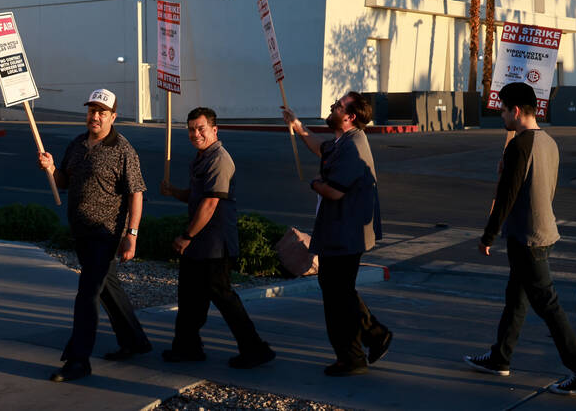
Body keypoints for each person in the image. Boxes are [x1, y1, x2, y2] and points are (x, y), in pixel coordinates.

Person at [463, 82, 576, 395]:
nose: (501, 117)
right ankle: (500, 356)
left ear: (515, 110)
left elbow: (508, 195)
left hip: (528, 239)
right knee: (516, 299)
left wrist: (488, 234)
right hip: (543, 232)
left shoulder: (519, 145)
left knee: (548, 307)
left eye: (501, 110)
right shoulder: (548, 141)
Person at [37, 88, 151, 382]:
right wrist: (51, 168)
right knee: (107, 286)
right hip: (81, 232)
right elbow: (64, 181)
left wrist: (132, 234)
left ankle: (78, 361)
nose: (95, 116)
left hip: (106, 233)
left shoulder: (123, 150)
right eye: (91, 111)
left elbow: (136, 193)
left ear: (113, 116)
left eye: (102, 112)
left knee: (87, 295)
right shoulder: (77, 144)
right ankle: (135, 340)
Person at [281, 91, 391, 377]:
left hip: (346, 233)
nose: (333, 107)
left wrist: (315, 184)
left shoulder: (354, 147)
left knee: (337, 297)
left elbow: (334, 190)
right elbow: (321, 148)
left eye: (338, 106)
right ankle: (374, 336)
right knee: (338, 290)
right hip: (339, 231)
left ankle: (353, 357)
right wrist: (298, 125)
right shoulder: (344, 141)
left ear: (350, 116)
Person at [159, 106, 275, 368]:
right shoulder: (202, 157)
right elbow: (197, 195)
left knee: (223, 297)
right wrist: (174, 192)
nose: (195, 134)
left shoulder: (219, 159)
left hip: (215, 244)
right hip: (200, 244)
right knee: (189, 298)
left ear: (214, 129)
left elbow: (210, 204)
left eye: (201, 128)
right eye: (191, 129)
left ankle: (255, 349)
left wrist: (186, 236)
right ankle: (187, 347)